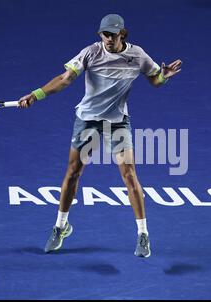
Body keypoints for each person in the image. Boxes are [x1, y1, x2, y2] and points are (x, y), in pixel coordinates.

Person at [18, 14, 182, 258]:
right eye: (104, 34)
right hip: (87, 121)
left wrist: (163, 77)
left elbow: (155, 80)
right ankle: (61, 227)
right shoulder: (91, 53)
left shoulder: (137, 55)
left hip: (117, 123)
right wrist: (36, 94)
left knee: (129, 175)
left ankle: (143, 234)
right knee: (73, 173)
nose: (107, 39)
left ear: (122, 35)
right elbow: (65, 79)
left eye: (112, 35)